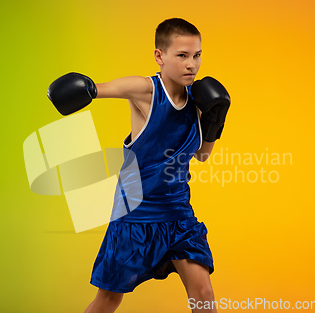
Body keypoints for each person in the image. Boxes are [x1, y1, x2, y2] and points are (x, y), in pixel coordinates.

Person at [47, 18, 230, 313]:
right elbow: (102, 89)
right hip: (136, 216)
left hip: (179, 214)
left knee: (203, 291)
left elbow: (202, 155)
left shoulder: (200, 99)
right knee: (108, 300)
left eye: (196, 55)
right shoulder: (146, 91)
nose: (191, 65)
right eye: (182, 56)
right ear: (160, 56)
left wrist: (215, 122)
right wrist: (89, 89)